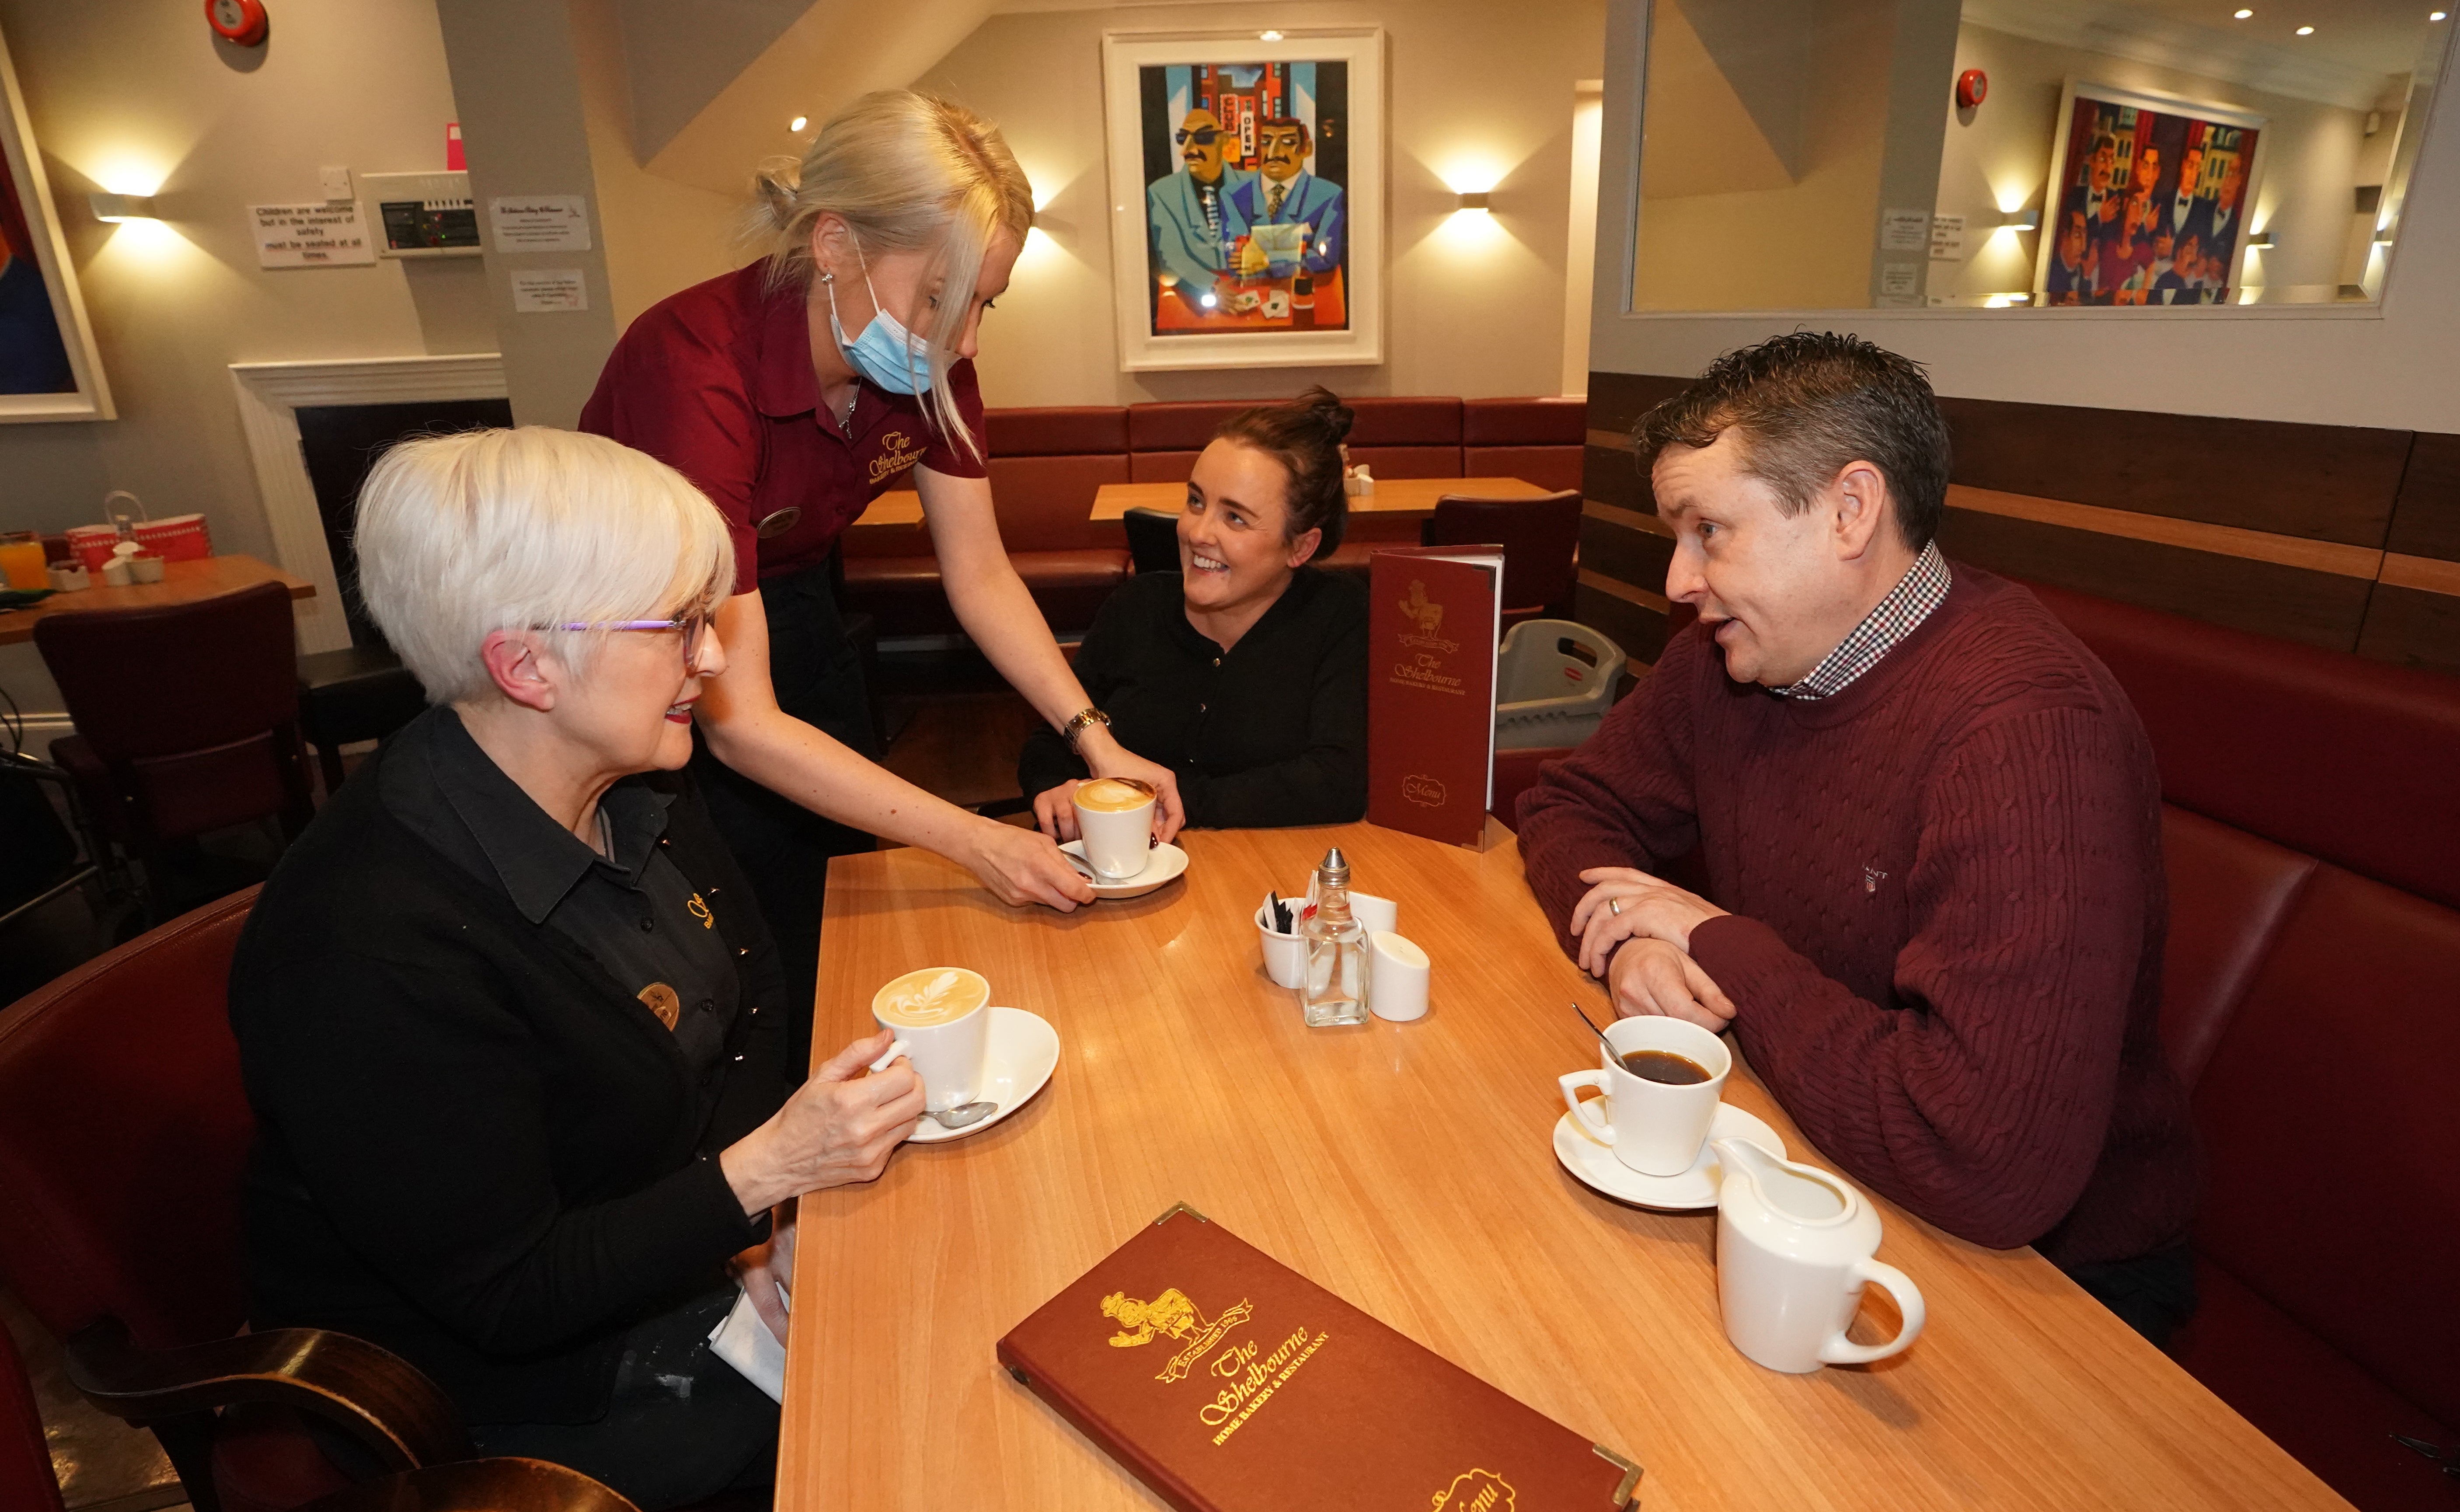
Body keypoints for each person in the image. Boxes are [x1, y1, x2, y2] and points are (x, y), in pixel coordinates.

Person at [229, 428, 928, 1510]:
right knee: (909, 1443)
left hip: (676, 1258)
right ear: (524, 664)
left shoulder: (630, 781)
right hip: (520, 1391)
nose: (710, 659)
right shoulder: (366, 943)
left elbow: (744, 998)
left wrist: (752, 1236)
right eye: (680, 627)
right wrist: (762, 1181)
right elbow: (509, 1293)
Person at [1515, 333, 2200, 1346]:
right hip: (1806, 1147)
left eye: (1709, 531)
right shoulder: (1728, 657)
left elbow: (1981, 1160)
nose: (1677, 580)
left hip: (2045, 1284)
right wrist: (1635, 938)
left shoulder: (2025, 732)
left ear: (1847, 511)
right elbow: (1568, 807)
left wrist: (1714, 942)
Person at [582, 91, 1184, 1055]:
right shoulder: (693, 367)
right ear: (834, 246)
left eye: (984, 303)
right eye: (942, 300)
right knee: (731, 939)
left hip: (798, 595)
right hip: (644, 645)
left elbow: (980, 574)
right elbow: (737, 723)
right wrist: (973, 836)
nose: (968, 342)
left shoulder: (932, 367)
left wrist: (1095, 739)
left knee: (840, 889)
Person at [1019, 389, 1368, 833]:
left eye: (1235, 518)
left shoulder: (1339, 614)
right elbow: (1052, 739)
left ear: (1301, 547)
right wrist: (1051, 786)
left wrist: (1165, 803)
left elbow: (1336, 781)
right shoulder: (1136, 605)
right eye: (1196, 502)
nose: (1197, 532)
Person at [1147, 106, 1253, 295]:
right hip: (1192, 297)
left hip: (1252, 289)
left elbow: (1276, 237)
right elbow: (1171, 258)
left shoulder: (1253, 185)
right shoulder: (1161, 193)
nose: (1187, 150)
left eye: (1204, 138)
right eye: (1182, 138)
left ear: (1225, 141)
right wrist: (1211, 287)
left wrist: (1261, 256)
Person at [1227, 117, 1345, 279]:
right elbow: (1235, 260)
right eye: (1266, 143)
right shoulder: (1233, 195)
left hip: (1303, 294)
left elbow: (1325, 258)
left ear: (1307, 149)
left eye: (1289, 142)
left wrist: (1267, 260)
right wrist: (1297, 251)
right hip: (1248, 296)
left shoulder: (1327, 195)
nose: (1274, 153)